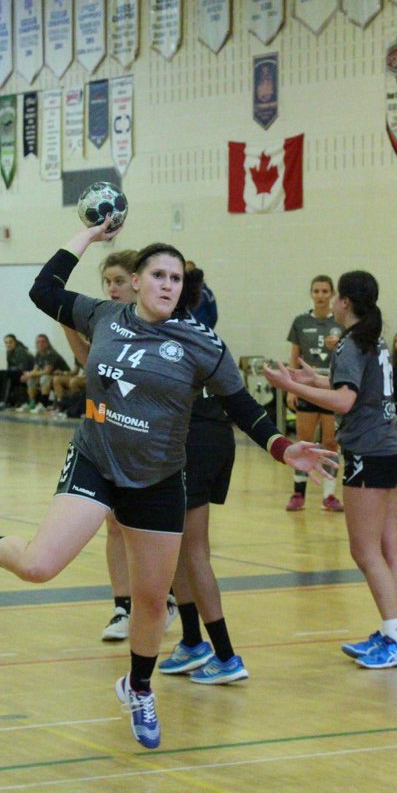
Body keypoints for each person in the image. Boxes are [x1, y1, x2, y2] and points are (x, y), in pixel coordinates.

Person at [0, 220, 336, 749]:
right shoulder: (104, 315)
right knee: (40, 565)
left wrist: (282, 446)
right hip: (95, 459)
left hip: (159, 478)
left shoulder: (201, 343)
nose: (167, 284)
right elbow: (42, 290)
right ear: (135, 280)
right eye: (158, 274)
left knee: (152, 603)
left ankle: (137, 688)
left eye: (176, 278)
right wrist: (87, 236)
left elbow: (242, 406)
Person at [264, 271, 397, 669]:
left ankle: (396, 639)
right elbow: (356, 387)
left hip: (368, 450)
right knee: (390, 548)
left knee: (365, 550)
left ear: (343, 302)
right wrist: (316, 378)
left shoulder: (351, 342)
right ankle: (392, 632)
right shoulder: (373, 339)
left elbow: (345, 402)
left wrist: (291, 386)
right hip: (391, 447)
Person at [60, 250, 177, 642]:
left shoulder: (163, 326)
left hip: (149, 446)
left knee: (143, 529)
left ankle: (163, 599)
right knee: (113, 525)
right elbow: (89, 362)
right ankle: (122, 607)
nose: (112, 288)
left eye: (119, 281)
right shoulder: (105, 320)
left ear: (138, 282)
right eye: (107, 281)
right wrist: (66, 322)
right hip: (104, 435)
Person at [158, 265, 248, 685]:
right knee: (175, 549)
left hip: (199, 439)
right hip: (202, 437)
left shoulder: (176, 334)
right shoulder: (195, 327)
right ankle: (193, 641)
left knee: (194, 551)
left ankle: (227, 655)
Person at [284, 276, 343, 512]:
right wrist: (291, 388)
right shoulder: (300, 321)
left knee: (331, 443)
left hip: (330, 388)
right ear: (311, 294)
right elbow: (294, 357)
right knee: (305, 443)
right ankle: (298, 493)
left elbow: (350, 355)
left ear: (332, 294)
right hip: (307, 389)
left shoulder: (340, 322)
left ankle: (329, 495)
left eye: (325, 291)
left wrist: (338, 345)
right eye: (316, 291)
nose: (320, 295)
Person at [21, 334, 70, 413]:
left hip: (62, 375)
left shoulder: (51, 354)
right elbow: (35, 370)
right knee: (31, 379)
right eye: (38, 342)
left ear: (48, 343)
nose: (40, 344)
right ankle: (32, 403)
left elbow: (47, 371)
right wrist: (28, 375)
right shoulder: (38, 354)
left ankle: (44, 405)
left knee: (45, 378)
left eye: (43, 342)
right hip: (51, 376)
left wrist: (29, 374)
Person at [0, 335, 34, 410]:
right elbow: (9, 367)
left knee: (6, 374)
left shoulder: (21, 350)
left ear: (15, 342)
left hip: (26, 374)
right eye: (6, 343)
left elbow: (23, 368)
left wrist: (10, 370)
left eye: (10, 342)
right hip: (16, 373)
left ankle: (4, 402)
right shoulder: (9, 351)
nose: (8, 344)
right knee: (0, 373)